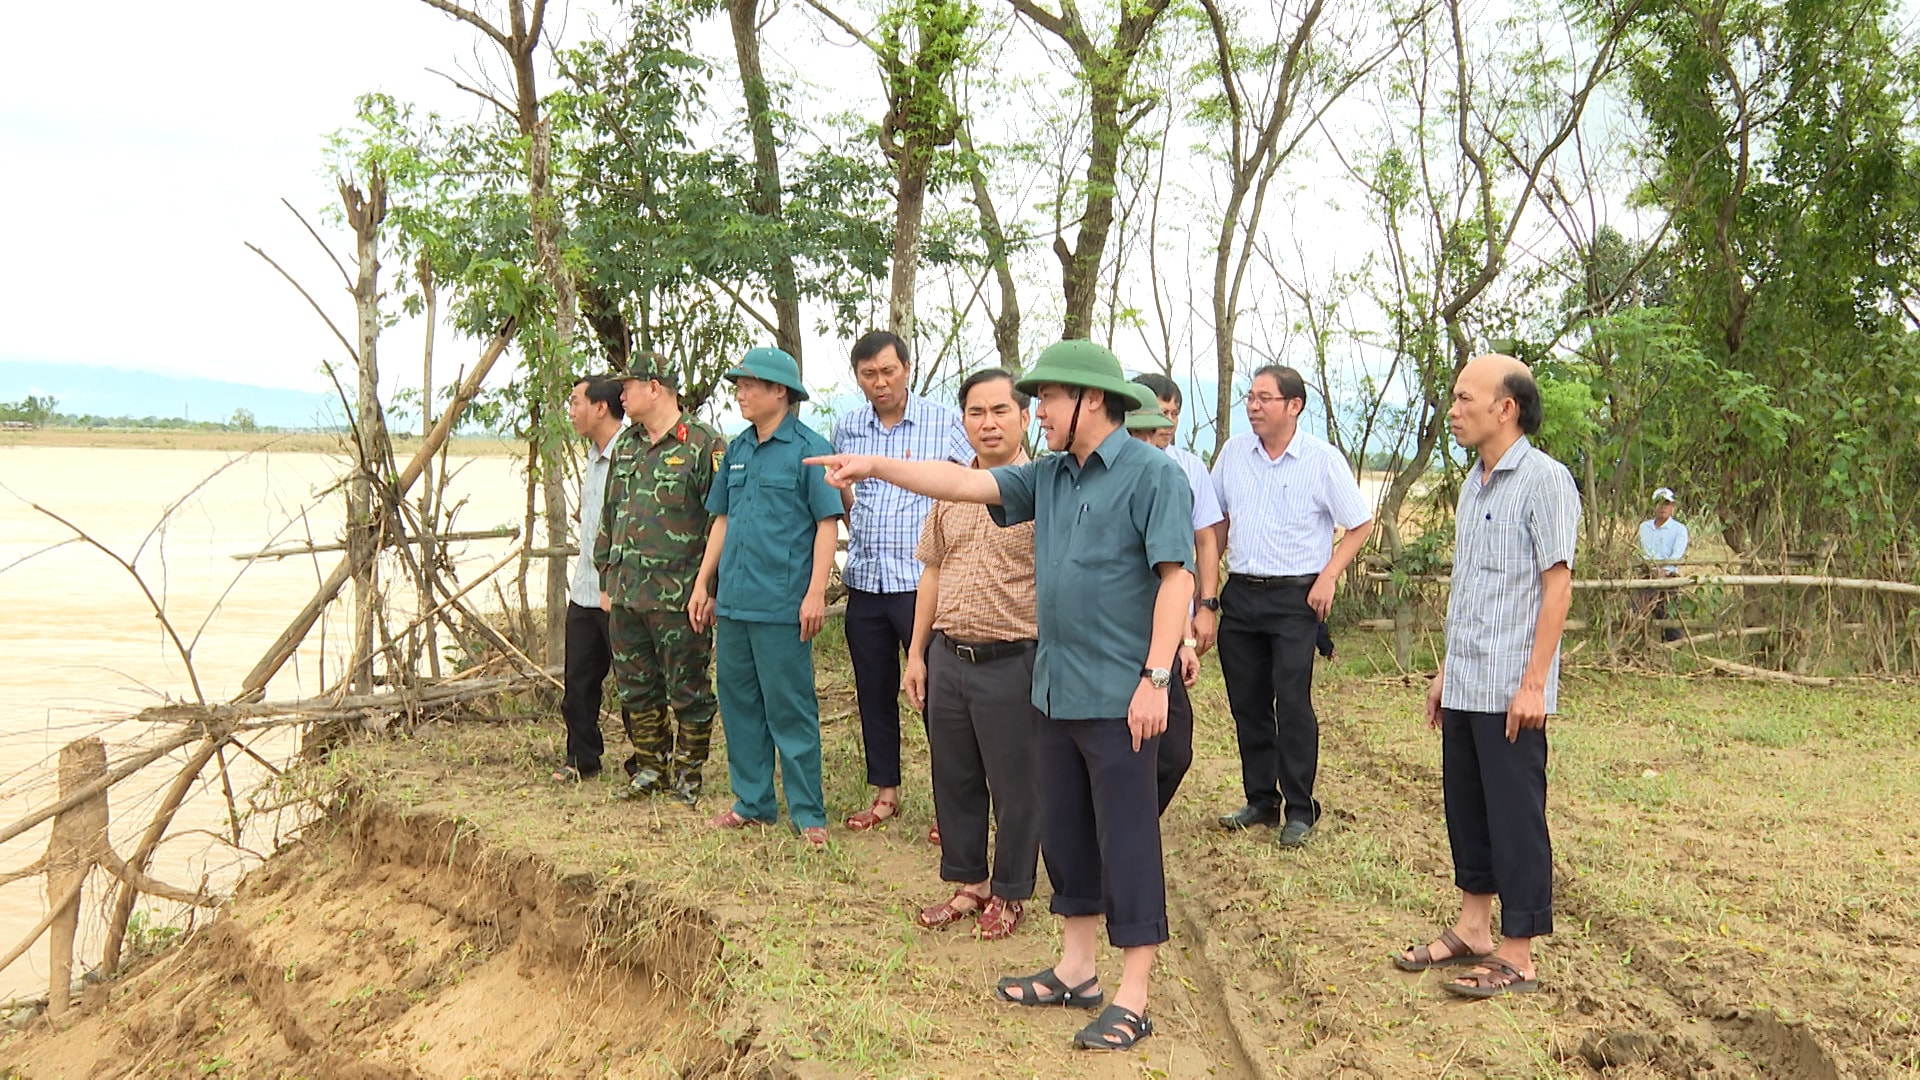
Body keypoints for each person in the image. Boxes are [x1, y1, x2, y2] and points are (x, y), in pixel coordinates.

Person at [809, 339, 1194, 1053]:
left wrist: (1157, 677)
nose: (1036, 411)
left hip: (1121, 696)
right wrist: (875, 465)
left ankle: (1134, 995)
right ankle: (1076, 970)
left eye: (1048, 399)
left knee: (1127, 838)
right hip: (1052, 689)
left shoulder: (1152, 475)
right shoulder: (1050, 476)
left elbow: (1177, 579)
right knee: (1067, 835)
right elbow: (959, 486)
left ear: (1091, 400)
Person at [1395, 353, 1578, 1000]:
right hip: (1469, 680)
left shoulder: (1545, 481)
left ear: (1506, 408)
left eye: (1464, 398)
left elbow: (1557, 587)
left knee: (1515, 817)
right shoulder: (1474, 484)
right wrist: (1447, 671)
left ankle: (1518, 953)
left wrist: (1534, 684)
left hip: (1512, 689)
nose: (1453, 410)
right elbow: (1473, 589)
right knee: (1467, 810)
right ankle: (1473, 928)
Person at [900, 368, 1041, 941]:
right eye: (976, 412)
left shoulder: (1042, 490)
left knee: (1015, 786)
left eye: (1000, 410)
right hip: (949, 657)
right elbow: (932, 571)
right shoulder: (951, 490)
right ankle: (969, 884)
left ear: (1024, 417)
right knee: (954, 777)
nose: (988, 423)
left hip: (1014, 660)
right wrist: (917, 654)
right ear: (963, 421)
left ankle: (1010, 891)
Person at [1210, 365, 1374, 847]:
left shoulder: (1321, 460)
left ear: (1294, 405)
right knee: (1248, 704)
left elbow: (1360, 524)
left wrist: (1329, 576)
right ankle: (1261, 800)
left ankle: (1300, 809)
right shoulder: (1234, 453)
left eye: (1265, 398)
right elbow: (1216, 520)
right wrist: (1206, 588)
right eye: (1250, 397)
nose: (1253, 406)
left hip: (1295, 599)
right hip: (1242, 593)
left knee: (1293, 703)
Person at [688, 347, 844, 848]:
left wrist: (815, 593)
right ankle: (752, 803)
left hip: (782, 604)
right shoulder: (737, 449)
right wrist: (704, 584)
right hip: (734, 603)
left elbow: (827, 524)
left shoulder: (809, 449)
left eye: (750, 385)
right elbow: (722, 519)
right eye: (738, 385)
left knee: (790, 708)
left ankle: (808, 813)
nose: (741, 393)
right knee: (738, 704)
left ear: (780, 391)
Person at [831, 330, 971, 837]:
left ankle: (950, 806)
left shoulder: (943, 421)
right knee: (874, 692)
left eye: (888, 371)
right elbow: (843, 493)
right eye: (869, 374)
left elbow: (972, 482)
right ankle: (885, 793)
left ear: (907, 369)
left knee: (937, 699)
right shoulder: (848, 426)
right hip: (866, 582)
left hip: (921, 584)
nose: (880, 382)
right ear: (858, 378)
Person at [595, 358, 725, 804]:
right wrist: (605, 577)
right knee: (636, 686)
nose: (621, 396)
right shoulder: (627, 445)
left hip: (680, 595)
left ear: (654, 388)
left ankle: (689, 772)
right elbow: (610, 513)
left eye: (627, 386)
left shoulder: (702, 444)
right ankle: (650, 767)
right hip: (628, 591)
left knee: (689, 689)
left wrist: (709, 589)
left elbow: (720, 520)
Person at [1122, 400, 1215, 814]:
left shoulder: (1168, 484)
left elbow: (1175, 576)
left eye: (1150, 434)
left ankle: (1132, 824)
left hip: (1160, 643)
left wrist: (1184, 642)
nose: (1145, 443)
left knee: (1175, 750)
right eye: (1135, 434)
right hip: (1116, 644)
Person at [554, 375, 624, 783]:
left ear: (601, 407)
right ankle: (582, 759)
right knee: (578, 681)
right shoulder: (593, 457)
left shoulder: (630, 455)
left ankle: (647, 764)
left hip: (619, 591)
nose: (571, 411)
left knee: (633, 684)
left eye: (576, 402)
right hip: (584, 588)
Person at [1638, 487, 1689, 642]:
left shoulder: (1679, 530)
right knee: (1636, 612)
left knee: (1669, 615)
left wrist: (1664, 571)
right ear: (1653, 506)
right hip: (1647, 576)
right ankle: (1641, 642)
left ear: (1672, 506)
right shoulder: (1644, 527)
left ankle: (1673, 645)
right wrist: (1651, 570)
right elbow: (1641, 552)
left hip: (1668, 577)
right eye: (1659, 503)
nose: (1663, 507)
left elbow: (1677, 555)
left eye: (1666, 503)